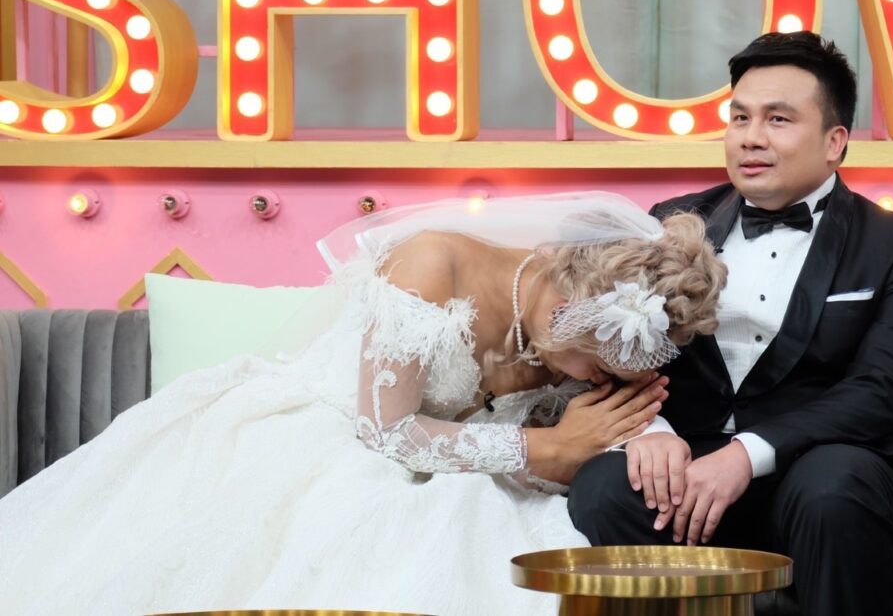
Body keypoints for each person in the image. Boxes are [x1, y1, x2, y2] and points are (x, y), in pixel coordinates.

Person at [0, 191, 726, 616]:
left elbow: (623, 409)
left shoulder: (582, 336)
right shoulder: (434, 261)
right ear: (569, 309)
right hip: (331, 444)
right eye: (593, 366)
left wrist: (654, 434)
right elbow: (386, 429)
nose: (593, 383)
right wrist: (545, 447)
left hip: (460, 475)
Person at [568, 32, 893, 615]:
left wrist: (747, 453)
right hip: (689, 463)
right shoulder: (669, 224)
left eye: (778, 119)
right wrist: (651, 431)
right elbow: (613, 351)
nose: (751, 136)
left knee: (832, 492)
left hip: (823, 465)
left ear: (834, 142)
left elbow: (882, 391)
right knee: (604, 488)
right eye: (740, 117)